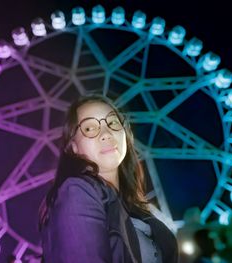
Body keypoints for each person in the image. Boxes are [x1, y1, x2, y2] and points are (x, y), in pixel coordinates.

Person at [39, 94, 178, 263]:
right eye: (89, 128)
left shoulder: (135, 208)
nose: (106, 133)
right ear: (73, 147)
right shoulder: (76, 191)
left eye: (112, 123)